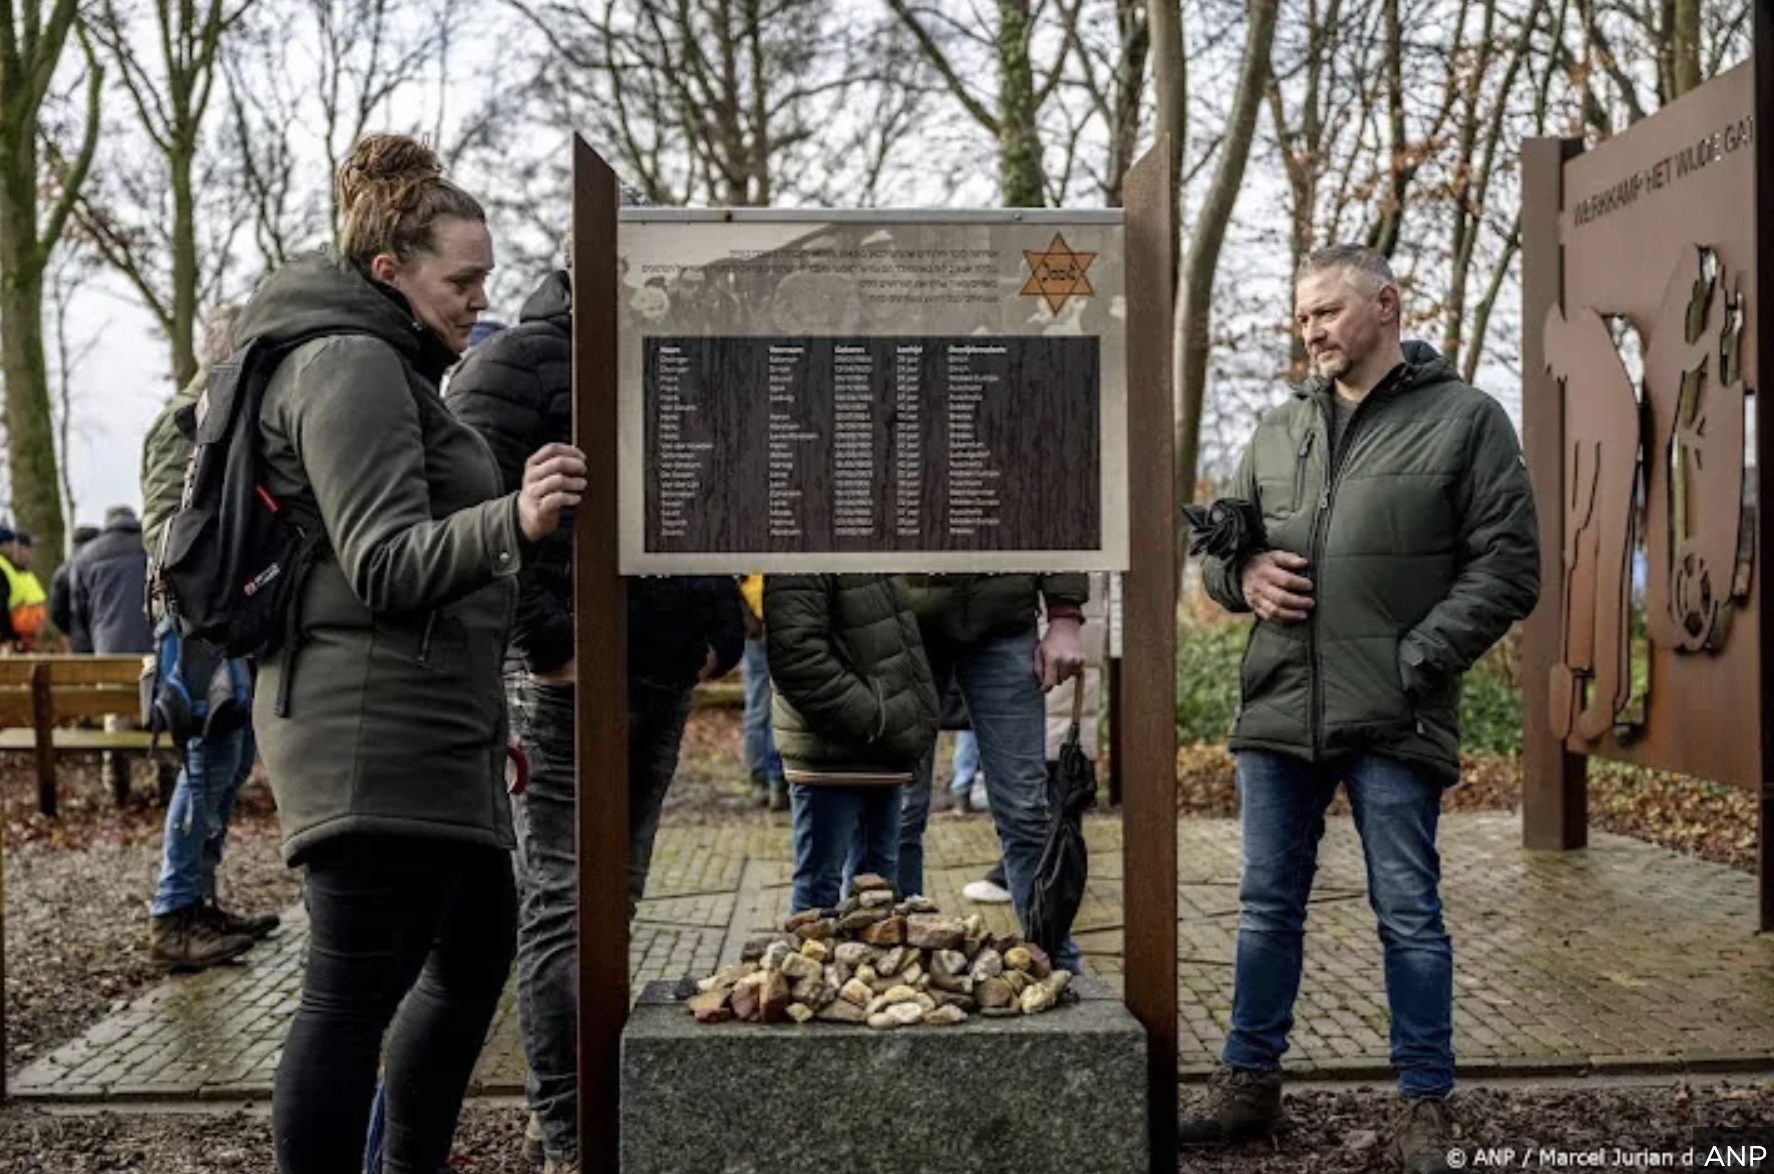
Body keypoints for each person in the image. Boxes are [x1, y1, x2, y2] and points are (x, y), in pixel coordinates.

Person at [234, 133, 585, 1174]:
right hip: (363, 734)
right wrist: (514, 521)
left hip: (427, 730)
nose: (482, 297)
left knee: (476, 950)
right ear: (388, 269)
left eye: (486, 275)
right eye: (462, 277)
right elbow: (383, 561)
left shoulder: (393, 363)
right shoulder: (348, 364)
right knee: (348, 995)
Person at [1179, 245, 1539, 1174]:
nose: (1312, 332)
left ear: (1386, 304)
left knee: (1408, 910)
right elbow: (1224, 549)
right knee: (1264, 908)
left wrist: (1416, 656)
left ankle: (1425, 1103)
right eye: (1302, 318)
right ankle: (1248, 1085)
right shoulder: (1274, 431)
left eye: (1327, 313)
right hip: (1279, 706)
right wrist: (1241, 573)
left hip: (1397, 711)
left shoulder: (1467, 421)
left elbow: (1509, 566)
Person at [444, 262, 746, 1174]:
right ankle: (567, 1126)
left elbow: (708, 504)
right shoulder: (517, 365)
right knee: (565, 901)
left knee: (620, 892)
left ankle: (595, 1101)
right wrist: (546, 643)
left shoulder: (677, 364)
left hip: (660, 669)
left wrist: (719, 626)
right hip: (569, 681)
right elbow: (474, 515)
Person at [140, 304, 281, 970]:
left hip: (220, 617)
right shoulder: (185, 420)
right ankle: (175, 914)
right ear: (225, 348)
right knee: (204, 768)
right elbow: (168, 525)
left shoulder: (218, 416)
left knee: (222, 765)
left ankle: (199, 900)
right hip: (197, 622)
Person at [887, 573, 1090, 969]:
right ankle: (892, 961)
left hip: (1003, 615)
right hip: (899, 619)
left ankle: (1054, 961)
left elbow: (1059, 513)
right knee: (896, 808)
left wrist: (1065, 613)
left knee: (1025, 810)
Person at [767, 573, 938, 913]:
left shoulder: (873, 543)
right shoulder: (804, 545)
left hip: (883, 750)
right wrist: (877, 719)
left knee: (878, 897)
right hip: (832, 753)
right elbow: (797, 655)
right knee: (818, 896)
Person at [739, 572, 787, 810]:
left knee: (757, 709)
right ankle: (776, 781)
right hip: (777, 625)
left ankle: (761, 782)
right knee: (779, 706)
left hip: (755, 626)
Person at [49, 525, 100, 652]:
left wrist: (71, 629)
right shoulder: (100, 566)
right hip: (103, 636)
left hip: (78, 639)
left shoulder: (63, 571)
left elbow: (56, 612)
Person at [0, 528, 49, 651]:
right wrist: (8, 639)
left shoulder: (25, 574)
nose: (31, 552)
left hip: (26, 641)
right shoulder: (4, 570)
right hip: (11, 642)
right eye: (28, 548)